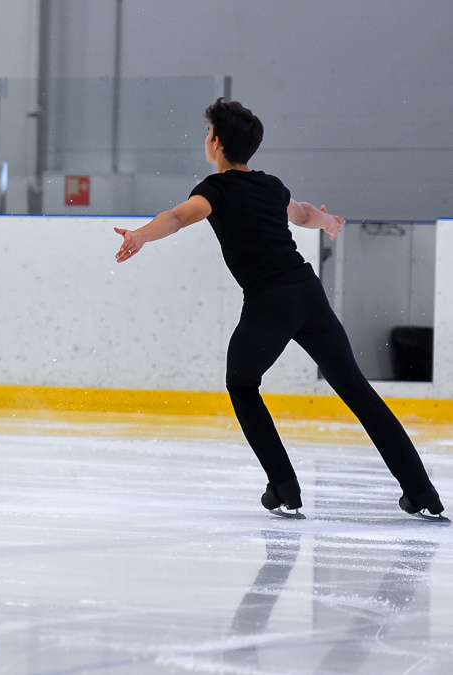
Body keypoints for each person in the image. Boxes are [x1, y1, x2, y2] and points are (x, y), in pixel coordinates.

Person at [114, 98, 444, 520]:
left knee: (241, 384)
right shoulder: (271, 185)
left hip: (271, 300)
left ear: (216, 142)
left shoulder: (213, 190)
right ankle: (422, 492)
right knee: (357, 390)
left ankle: (284, 485)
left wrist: (141, 235)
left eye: (208, 133)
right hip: (308, 293)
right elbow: (302, 214)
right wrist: (327, 222)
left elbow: (178, 217)